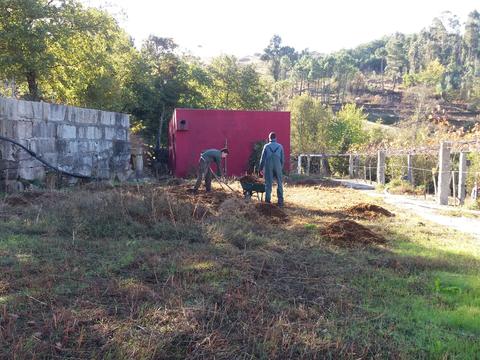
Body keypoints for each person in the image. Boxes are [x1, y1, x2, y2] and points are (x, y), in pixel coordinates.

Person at [259, 132, 284, 207]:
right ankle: (280, 202)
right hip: (278, 165)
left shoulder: (266, 146)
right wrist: (280, 168)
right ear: (276, 138)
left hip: (268, 166)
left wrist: (260, 168)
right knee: (279, 183)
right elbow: (283, 159)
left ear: (269, 138)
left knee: (268, 184)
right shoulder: (280, 146)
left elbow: (262, 159)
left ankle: (267, 202)